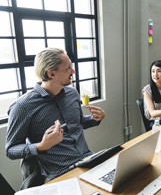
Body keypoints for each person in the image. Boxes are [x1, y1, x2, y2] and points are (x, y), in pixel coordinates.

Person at [5, 48, 105, 182]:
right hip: (59, 174)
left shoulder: (72, 93)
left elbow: (76, 123)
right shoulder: (22, 107)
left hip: (88, 160)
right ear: (51, 74)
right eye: (68, 68)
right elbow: (11, 149)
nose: (73, 71)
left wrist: (94, 119)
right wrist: (41, 146)